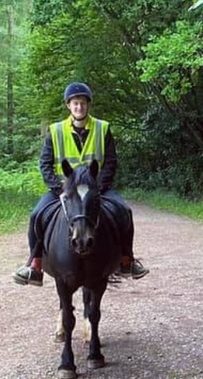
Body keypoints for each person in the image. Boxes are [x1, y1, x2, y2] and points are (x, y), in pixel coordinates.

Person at [13, 82, 149, 286]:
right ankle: (35, 264)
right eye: (75, 103)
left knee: (124, 211)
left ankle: (127, 260)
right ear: (69, 105)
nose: (79, 107)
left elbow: (110, 161)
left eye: (83, 103)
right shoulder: (55, 130)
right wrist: (58, 187)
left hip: (95, 189)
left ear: (88, 105)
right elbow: (45, 163)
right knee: (36, 215)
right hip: (65, 189)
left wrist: (99, 187)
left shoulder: (103, 128)